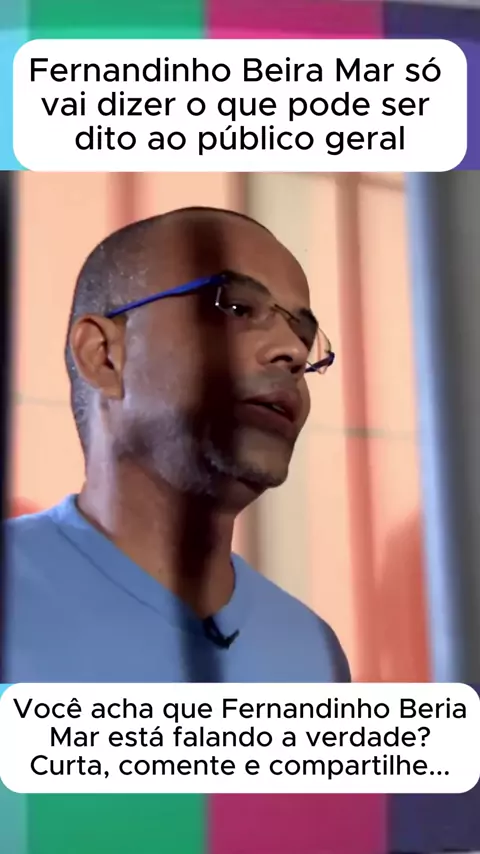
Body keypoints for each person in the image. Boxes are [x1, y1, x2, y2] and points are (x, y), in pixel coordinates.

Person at [4, 206, 350, 682]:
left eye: (303, 335)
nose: (291, 351)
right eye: (236, 308)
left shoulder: (312, 651)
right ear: (104, 356)